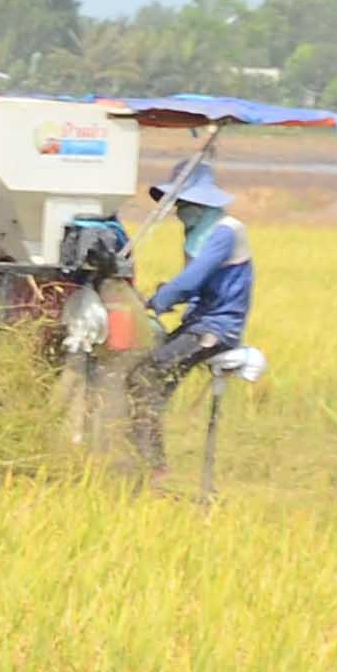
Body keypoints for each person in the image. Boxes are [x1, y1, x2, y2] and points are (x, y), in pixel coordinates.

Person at [127, 159, 253, 475]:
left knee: (144, 378)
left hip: (216, 328)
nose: (179, 210)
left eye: (183, 203)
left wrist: (160, 299)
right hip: (197, 323)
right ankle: (144, 459)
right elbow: (194, 288)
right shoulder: (196, 234)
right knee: (139, 376)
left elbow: (192, 279)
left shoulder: (225, 232)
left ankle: (155, 467)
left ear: (201, 203)